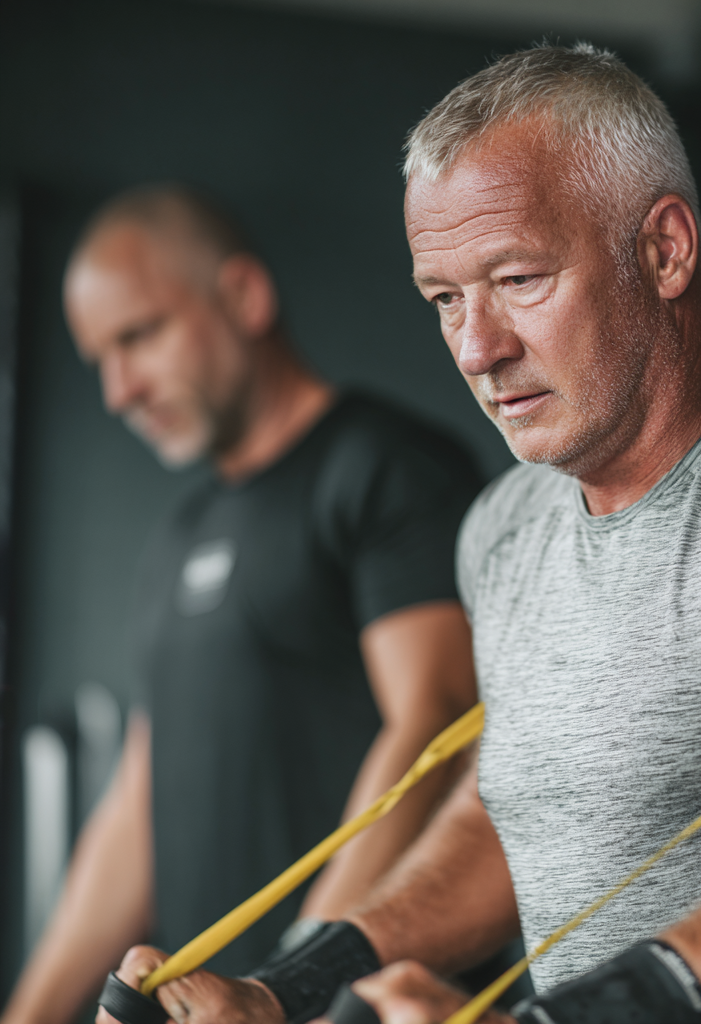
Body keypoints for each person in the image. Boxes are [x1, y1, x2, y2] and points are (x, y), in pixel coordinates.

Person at [103, 44, 701, 1024]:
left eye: (519, 278)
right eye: (445, 298)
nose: (476, 347)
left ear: (664, 249)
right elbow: (521, 816)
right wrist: (282, 994)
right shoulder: (505, 528)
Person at [0, 187, 483, 1024]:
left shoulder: (384, 470)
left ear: (244, 297)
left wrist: (283, 989)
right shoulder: (182, 532)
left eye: (139, 336)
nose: (118, 390)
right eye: (99, 360)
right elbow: (137, 806)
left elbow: (434, 732)